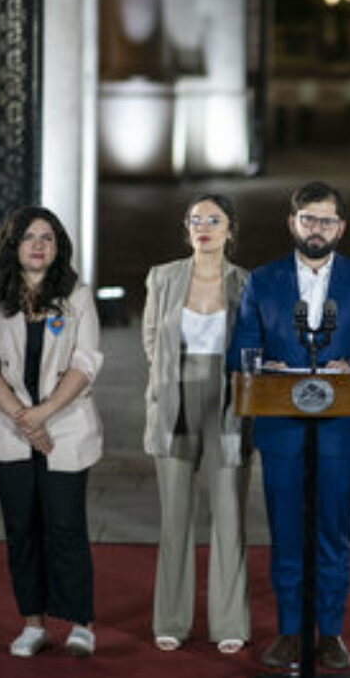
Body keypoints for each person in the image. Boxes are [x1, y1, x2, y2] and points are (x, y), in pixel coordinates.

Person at [227, 181, 350, 671]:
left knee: (332, 531)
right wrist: (265, 367)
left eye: (327, 221)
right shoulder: (262, 282)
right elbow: (240, 351)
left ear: (341, 228)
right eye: (309, 219)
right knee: (285, 531)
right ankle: (288, 631)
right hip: (281, 428)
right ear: (292, 223)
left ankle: (330, 632)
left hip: (340, 430)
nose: (317, 229)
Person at [0, 206, 103, 658]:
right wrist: (24, 419)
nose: (39, 245)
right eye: (29, 237)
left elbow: (87, 362)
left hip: (64, 426)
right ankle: (33, 623)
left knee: (66, 527)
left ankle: (81, 623)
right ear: (13, 245)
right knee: (21, 530)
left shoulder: (76, 294)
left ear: (58, 245)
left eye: (47, 237)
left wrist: (42, 414)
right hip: (9, 428)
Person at [142, 194, 252, 655]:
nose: (203, 227)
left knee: (229, 514)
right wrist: (169, 384)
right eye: (195, 220)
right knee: (175, 517)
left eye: (214, 219)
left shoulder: (247, 282)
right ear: (186, 228)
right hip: (175, 397)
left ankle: (230, 622)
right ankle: (171, 618)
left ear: (231, 228)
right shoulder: (164, 277)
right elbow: (151, 338)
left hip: (229, 401)